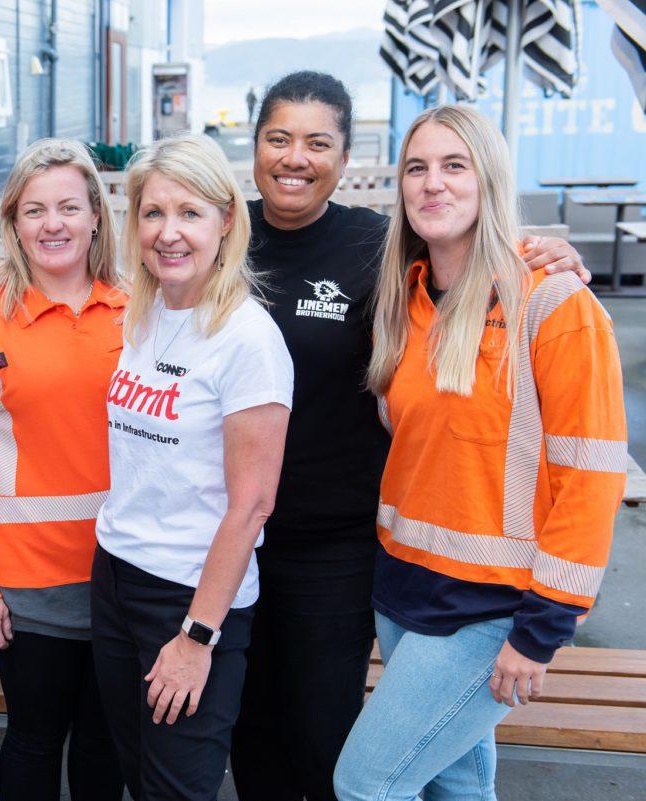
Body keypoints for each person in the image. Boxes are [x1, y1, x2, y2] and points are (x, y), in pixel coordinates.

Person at [228, 71, 592, 801]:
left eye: (318, 142)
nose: (295, 157)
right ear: (255, 146)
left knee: (333, 745)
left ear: (345, 157)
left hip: (339, 545)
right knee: (250, 726)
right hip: (231, 535)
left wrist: (545, 255)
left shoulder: (378, 248)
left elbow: (472, 252)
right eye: (278, 138)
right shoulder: (218, 236)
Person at [333, 103, 626, 801]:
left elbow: (591, 479)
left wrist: (543, 628)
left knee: (366, 783)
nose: (433, 183)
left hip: (494, 611)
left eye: (454, 165)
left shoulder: (552, 303)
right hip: (405, 591)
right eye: (417, 168)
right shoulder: (403, 301)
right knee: (456, 787)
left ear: (488, 178)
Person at [90, 133, 294, 800]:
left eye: (190, 213)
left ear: (226, 220)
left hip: (188, 595)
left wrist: (197, 636)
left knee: (176, 789)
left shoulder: (247, 340)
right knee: (135, 773)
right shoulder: (144, 313)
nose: (168, 232)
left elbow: (253, 506)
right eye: (153, 213)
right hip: (116, 574)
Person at [0, 138, 124, 800]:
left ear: (95, 215)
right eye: (34, 210)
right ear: (13, 222)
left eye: (69, 207)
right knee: (35, 739)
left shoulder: (140, 311)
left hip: (124, 576)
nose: (53, 224)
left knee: (104, 741)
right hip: (27, 586)